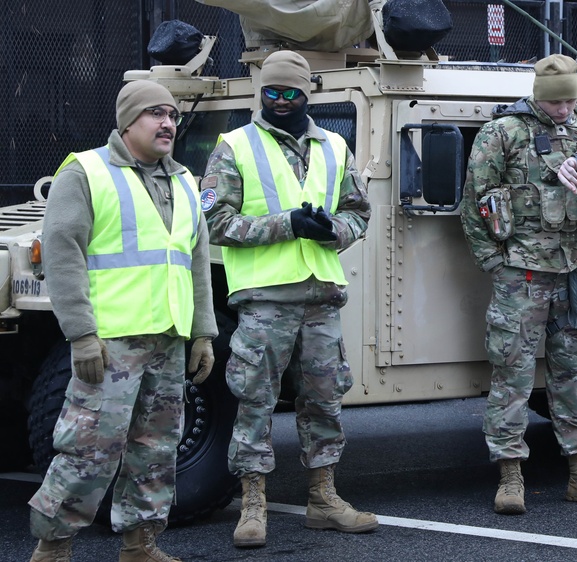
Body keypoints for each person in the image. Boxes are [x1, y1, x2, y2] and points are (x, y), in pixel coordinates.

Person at [28, 80, 217, 562]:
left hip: (168, 342)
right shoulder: (87, 171)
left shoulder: (184, 181)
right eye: (155, 113)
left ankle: (140, 545)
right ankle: (53, 548)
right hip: (111, 343)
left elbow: (196, 262)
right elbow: (62, 253)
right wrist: (81, 334)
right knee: (88, 450)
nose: (168, 123)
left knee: (156, 450)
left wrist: (203, 334)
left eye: (172, 114)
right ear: (127, 122)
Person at [200, 50, 375, 548]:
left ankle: (323, 498)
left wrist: (330, 230)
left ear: (307, 94)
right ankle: (253, 503)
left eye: (290, 93)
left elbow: (359, 213)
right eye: (271, 92)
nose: (280, 101)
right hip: (265, 299)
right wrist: (287, 225)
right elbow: (214, 223)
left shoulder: (335, 146)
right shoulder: (233, 146)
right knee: (255, 400)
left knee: (324, 399)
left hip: (320, 295)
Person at [459, 54, 577, 515]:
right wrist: (495, 264)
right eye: (556, 101)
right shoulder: (502, 133)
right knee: (512, 376)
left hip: (573, 270)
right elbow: (473, 204)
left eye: (571, 100)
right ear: (539, 95)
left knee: (572, 375)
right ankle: (509, 476)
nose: (564, 109)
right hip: (521, 274)